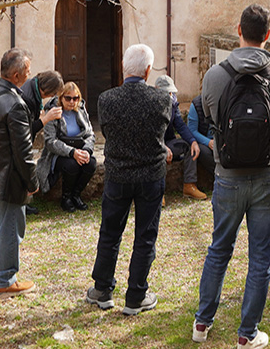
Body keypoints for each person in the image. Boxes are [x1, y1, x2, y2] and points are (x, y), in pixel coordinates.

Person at [193, 4, 270, 348]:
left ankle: (202, 323)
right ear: (268, 35)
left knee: (219, 248)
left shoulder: (215, 76)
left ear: (239, 30)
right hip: (269, 175)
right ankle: (246, 334)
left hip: (228, 175)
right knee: (260, 258)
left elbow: (210, 117)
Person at [86, 44, 172, 316]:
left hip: (118, 174)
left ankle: (102, 289)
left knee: (110, 232)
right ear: (148, 71)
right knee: (145, 236)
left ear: (125, 69)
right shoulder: (161, 100)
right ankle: (136, 294)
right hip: (150, 175)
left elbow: (110, 133)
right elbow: (161, 131)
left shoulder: (106, 99)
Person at [0, 48, 39, 297]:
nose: (30, 73)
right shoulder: (15, 104)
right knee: (11, 227)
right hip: (10, 176)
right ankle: (5, 279)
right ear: (15, 75)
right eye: (27, 70)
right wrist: (32, 181)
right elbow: (23, 152)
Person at [34, 81, 97, 212]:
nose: (72, 102)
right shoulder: (53, 112)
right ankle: (66, 198)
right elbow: (50, 141)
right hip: (58, 154)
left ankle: (76, 195)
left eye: (76, 98)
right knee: (71, 165)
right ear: (61, 98)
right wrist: (72, 152)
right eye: (68, 98)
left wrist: (86, 150)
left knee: (91, 163)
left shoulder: (81, 110)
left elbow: (90, 133)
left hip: (79, 149)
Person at [155, 75, 204, 201]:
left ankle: (189, 185)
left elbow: (180, 125)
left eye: (171, 92)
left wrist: (193, 141)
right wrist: (162, 146)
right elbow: (148, 132)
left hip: (169, 141)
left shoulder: (173, 103)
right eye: (167, 92)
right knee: (157, 154)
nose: (170, 95)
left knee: (188, 147)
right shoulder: (150, 104)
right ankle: (158, 192)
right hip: (154, 143)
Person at [20, 70, 63, 215]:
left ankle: (24, 205)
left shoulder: (32, 86)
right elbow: (25, 130)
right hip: (20, 144)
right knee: (22, 170)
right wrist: (45, 119)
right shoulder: (28, 98)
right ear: (47, 88)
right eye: (52, 94)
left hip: (23, 143)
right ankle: (21, 206)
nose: (51, 97)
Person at [184, 99, 217, 184]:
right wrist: (208, 142)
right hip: (203, 143)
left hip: (220, 141)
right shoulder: (196, 105)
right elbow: (192, 130)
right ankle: (218, 175)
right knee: (202, 151)